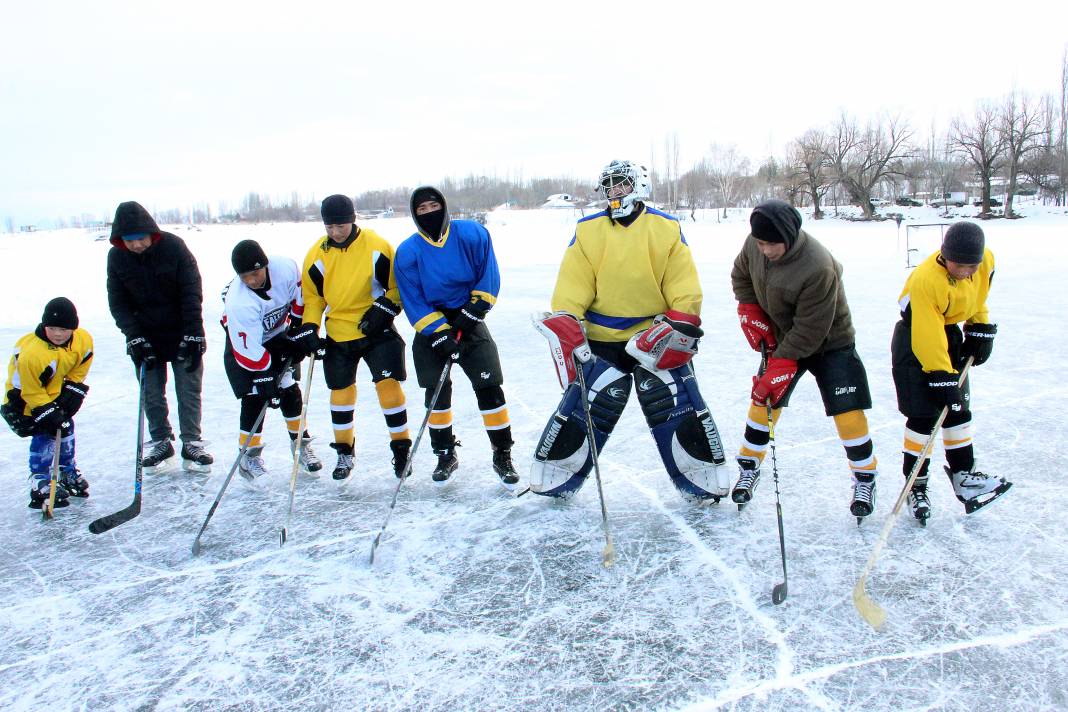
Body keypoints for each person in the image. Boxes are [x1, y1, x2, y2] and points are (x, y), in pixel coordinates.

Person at [530, 159, 729, 502]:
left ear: (639, 185)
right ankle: (558, 481)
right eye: (608, 185)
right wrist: (568, 321)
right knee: (585, 409)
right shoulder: (587, 230)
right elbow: (573, 283)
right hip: (601, 340)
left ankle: (701, 482)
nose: (614, 191)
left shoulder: (665, 228)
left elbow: (683, 283)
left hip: (655, 339)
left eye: (621, 183)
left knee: (678, 406)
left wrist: (679, 322)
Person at [730, 199, 880, 522]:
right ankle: (748, 467)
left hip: (830, 341)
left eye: (772, 244)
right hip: (786, 336)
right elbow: (740, 275)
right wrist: (750, 310)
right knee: (763, 399)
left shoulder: (817, 266)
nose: (765, 250)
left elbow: (811, 330)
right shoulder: (754, 246)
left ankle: (864, 478)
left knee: (847, 412)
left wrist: (781, 365)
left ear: (789, 236)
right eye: (760, 243)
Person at [393, 186, 518, 488]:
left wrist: (474, 310)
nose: (429, 213)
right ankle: (444, 454)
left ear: (444, 206)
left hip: (469, 319)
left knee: (489, 386)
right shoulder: (408, 251)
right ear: (414, 214)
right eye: (421, 209)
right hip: (432, 327)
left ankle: (502, 453)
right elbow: (412, 298)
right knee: (436, 392)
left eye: (433, 205)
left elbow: (488, 272)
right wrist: (439, 333)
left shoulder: (472, 234)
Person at [891, 221, 1011, 523]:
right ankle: (916, 485)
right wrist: (939, 374)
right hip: (915, 337)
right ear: (945, 256)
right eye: (959, 265)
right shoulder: (926, 280)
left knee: (957, 408)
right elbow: (927, 334)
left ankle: (964, 476)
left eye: (972, 265)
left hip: (949, 331)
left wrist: (979, 326)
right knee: (924, 415)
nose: (966, 271)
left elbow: (977, 296)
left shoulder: (985, 263)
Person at [291, 194, 411, 481]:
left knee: (389, 388)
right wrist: (310, 327)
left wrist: (383, 310)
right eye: (329, 227)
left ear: (352, 220)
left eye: (340, 226)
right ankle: (344, 451)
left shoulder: (377, 246)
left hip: (376, 330)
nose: (335, 232)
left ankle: (401, 450)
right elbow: (314, 299)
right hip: (339, 333)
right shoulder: (317, 254)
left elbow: (396, 288)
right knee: (341, 394)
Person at [106, 201, 213, 473]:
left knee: (188, 389)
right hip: (145, 335)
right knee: (151, 393)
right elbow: (117, 302)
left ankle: (192, 442)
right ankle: (161, 440)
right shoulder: (116, 258)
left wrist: (193, 333)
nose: (137, 245)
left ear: (151, 232)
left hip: (180, 330)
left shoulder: (174, 247)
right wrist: (134, 337)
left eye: (140, 238)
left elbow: (191, 290)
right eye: (130, 241)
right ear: (121, 240)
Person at [222, 240, 322, 480]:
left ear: (265, 266)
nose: (251, 281)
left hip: (278, 334)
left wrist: (300, 330)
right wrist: (264, 373)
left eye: (255, 273)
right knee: (256, 395)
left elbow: (300, 297)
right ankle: (249, 455)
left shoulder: (285, 268)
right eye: (244, 276)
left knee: (288, 388)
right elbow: (248, 350)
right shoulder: (239, 302)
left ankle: (300, 443)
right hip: (245, 345)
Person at [2, 298, 93, 508]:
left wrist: (73, 389)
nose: (58, 334)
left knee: (65, 425)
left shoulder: (83, 340)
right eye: (52, 328)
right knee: (45, 429)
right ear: (44, 326)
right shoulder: (33, 354)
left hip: (54, 391)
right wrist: (47, 412)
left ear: (73, 328)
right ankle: (39, 479)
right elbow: (31, 391)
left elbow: (81, 365)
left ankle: (67, 472)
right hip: (22, 398)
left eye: (63, 329)